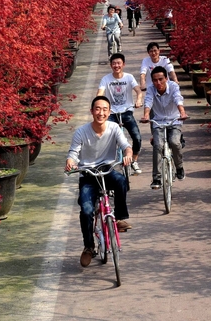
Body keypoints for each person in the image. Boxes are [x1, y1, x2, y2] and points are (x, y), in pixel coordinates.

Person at [65, 96, 133, 267]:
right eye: (97, 109)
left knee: (121, 180)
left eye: (104, 109)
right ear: (91, 111)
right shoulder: (81, 131)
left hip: (107, 170)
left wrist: (128, 153)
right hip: (87, 174)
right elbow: (74, 152)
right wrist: (71, 161)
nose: (100, 113)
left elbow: (125, 145)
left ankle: (118, 218)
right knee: (87, 210)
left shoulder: (114, 128)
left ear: (109, 112)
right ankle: (88, 247)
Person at [140, 66, 188, 189]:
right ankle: (156, 178)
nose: (158, 83)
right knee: (157, 145)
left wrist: (182, 113)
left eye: (161, 79)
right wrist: (146, 115)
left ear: (166, 78)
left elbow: (178, 99)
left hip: (175, 120)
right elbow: (148, 102)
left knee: (174, 142)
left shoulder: (173, 86)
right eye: (155, 80)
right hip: (158, 121)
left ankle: (179, 167)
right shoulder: (151, 89)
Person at [97, 53, 143, 175]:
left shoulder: (129, 77)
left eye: (119, 63)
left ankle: (134, 160)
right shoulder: (106, 79)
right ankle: (105, 163)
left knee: (137, 137)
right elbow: (100, 94)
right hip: (111, 113)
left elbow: (138, 90)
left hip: (126, 111)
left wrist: (138, 99)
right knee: (106, 138)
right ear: (111, 65)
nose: (116, 66)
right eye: (114, 63)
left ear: (123, 64)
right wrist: (100, 106)